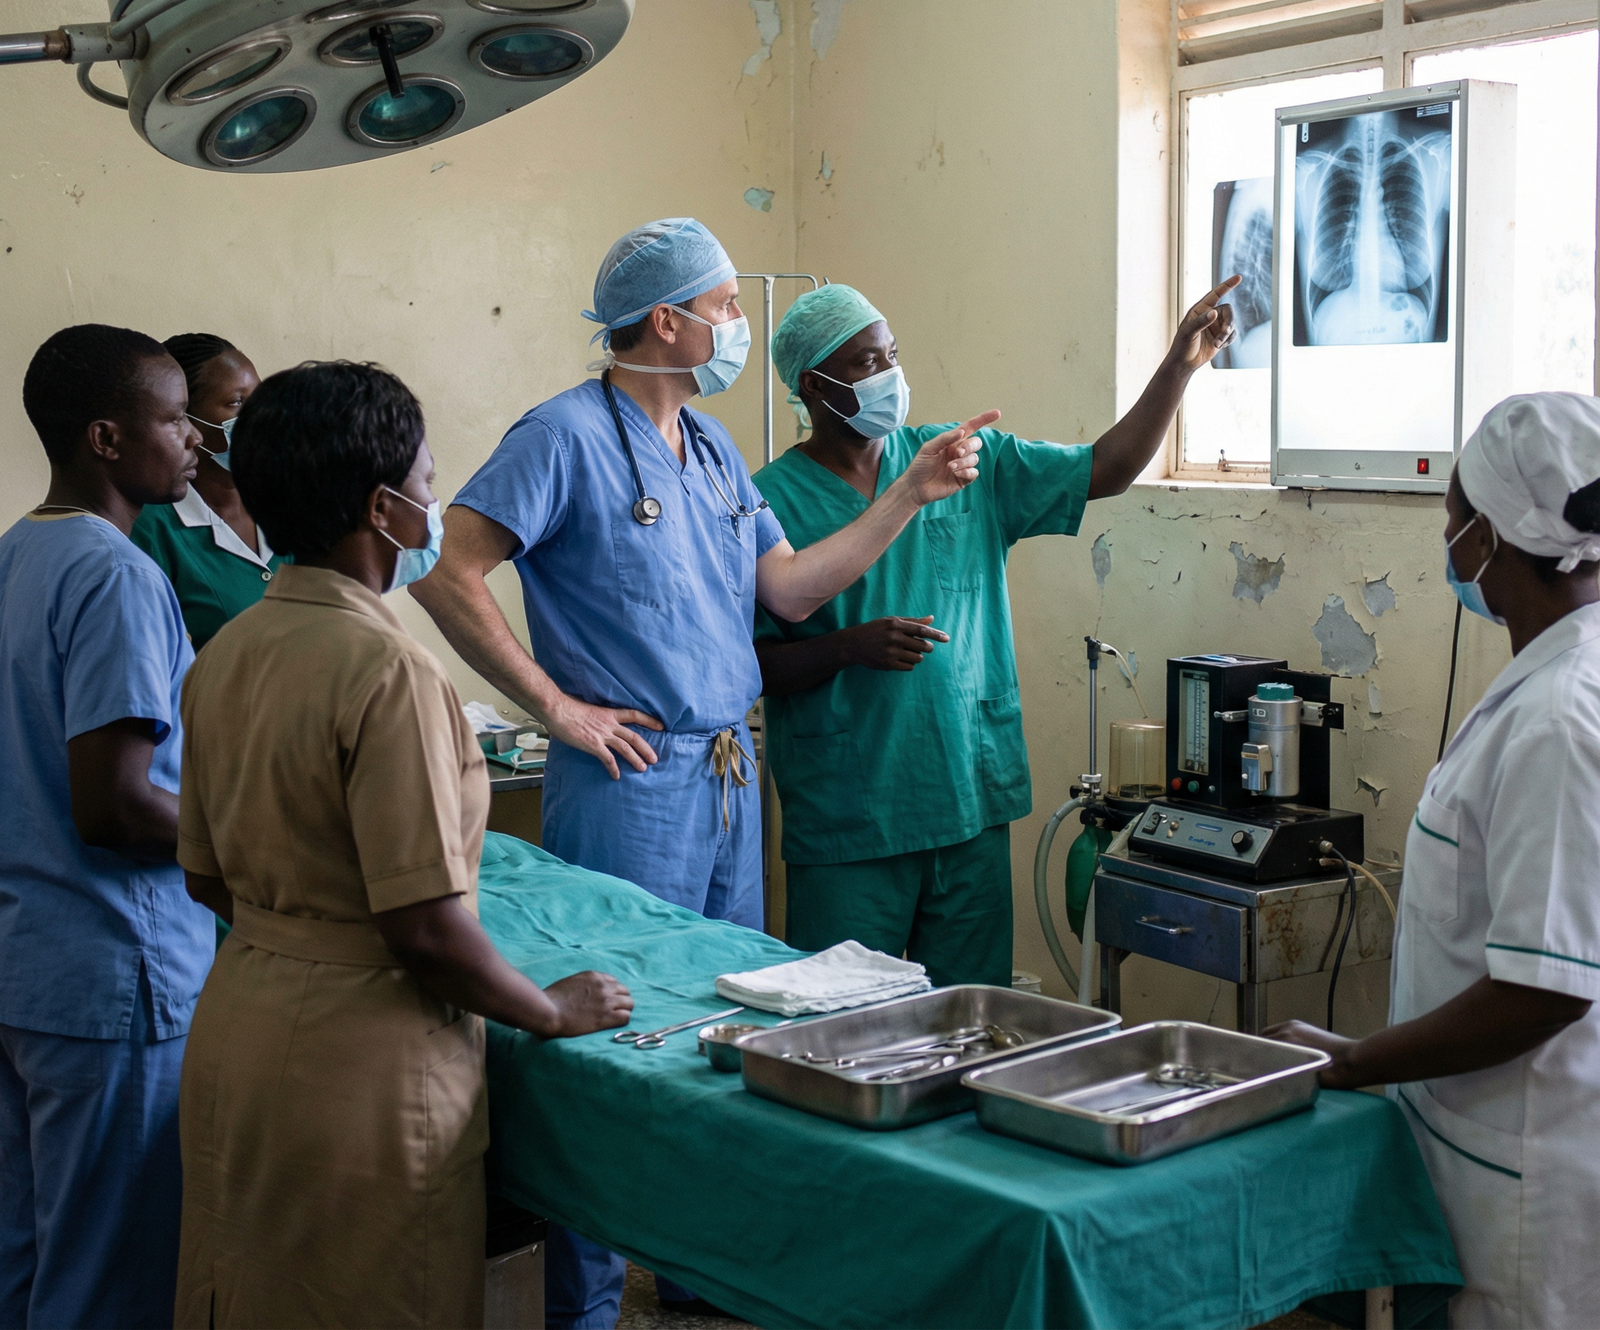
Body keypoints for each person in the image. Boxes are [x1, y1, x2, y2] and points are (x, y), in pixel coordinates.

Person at [413, 217, 996, 1329]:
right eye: (726, 305)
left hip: (728, 772)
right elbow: (447, 567)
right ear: (666, 320)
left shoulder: (715, 448)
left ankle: (695, 1274)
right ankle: (586, 1305)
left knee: (723, 1029)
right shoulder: (564, 436)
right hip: (631, 782)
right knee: (610, 1046)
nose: (739, 324)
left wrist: (907, 494)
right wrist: (556, 707)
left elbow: (791, 589)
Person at [172, 360, 633, 1329]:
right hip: (363, 1068)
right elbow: (424, 927)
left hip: (241, 1029)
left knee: (252, 1296)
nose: (434, 497)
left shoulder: (226, 655)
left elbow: (206, 876)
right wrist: (547, 1009)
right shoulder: (388, 671)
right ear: (384, 509)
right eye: (427, 480)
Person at [752, 277, 1240, 987]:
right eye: (865, 363)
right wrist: (846, 648)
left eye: (892, 355)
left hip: (967, 799)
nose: (888, 374)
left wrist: (1178, 367)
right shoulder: (768, 501)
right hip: (853, 818)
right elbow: (752, 663)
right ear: (814, 385)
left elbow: (1106, 469)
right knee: (843, 1022)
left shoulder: (958, 460)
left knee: (969, 1021)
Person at [1268, 392, 1600, 1330]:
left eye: (1452, 520)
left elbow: (1545, 990)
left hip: (1524, 1178)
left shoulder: (1560, 721)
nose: (1447, 542)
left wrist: (1352, 1061)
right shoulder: (1551, 682)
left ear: (1487, 539)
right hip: (1498, 1139)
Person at [0, 324, 215, 1329]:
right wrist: (254, 839)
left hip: (27, 964)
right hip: (109, 974)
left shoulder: (18, 554)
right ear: (106, 438)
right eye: (175, 419)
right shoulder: (116, 575)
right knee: (111, 1280)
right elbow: (115, 803)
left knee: (30, 1254)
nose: (195, 439)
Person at [131, 333, 283, 649]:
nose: (258, 415)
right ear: (184, 417)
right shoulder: (151, 529)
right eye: (237, 402)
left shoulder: (290, 501)